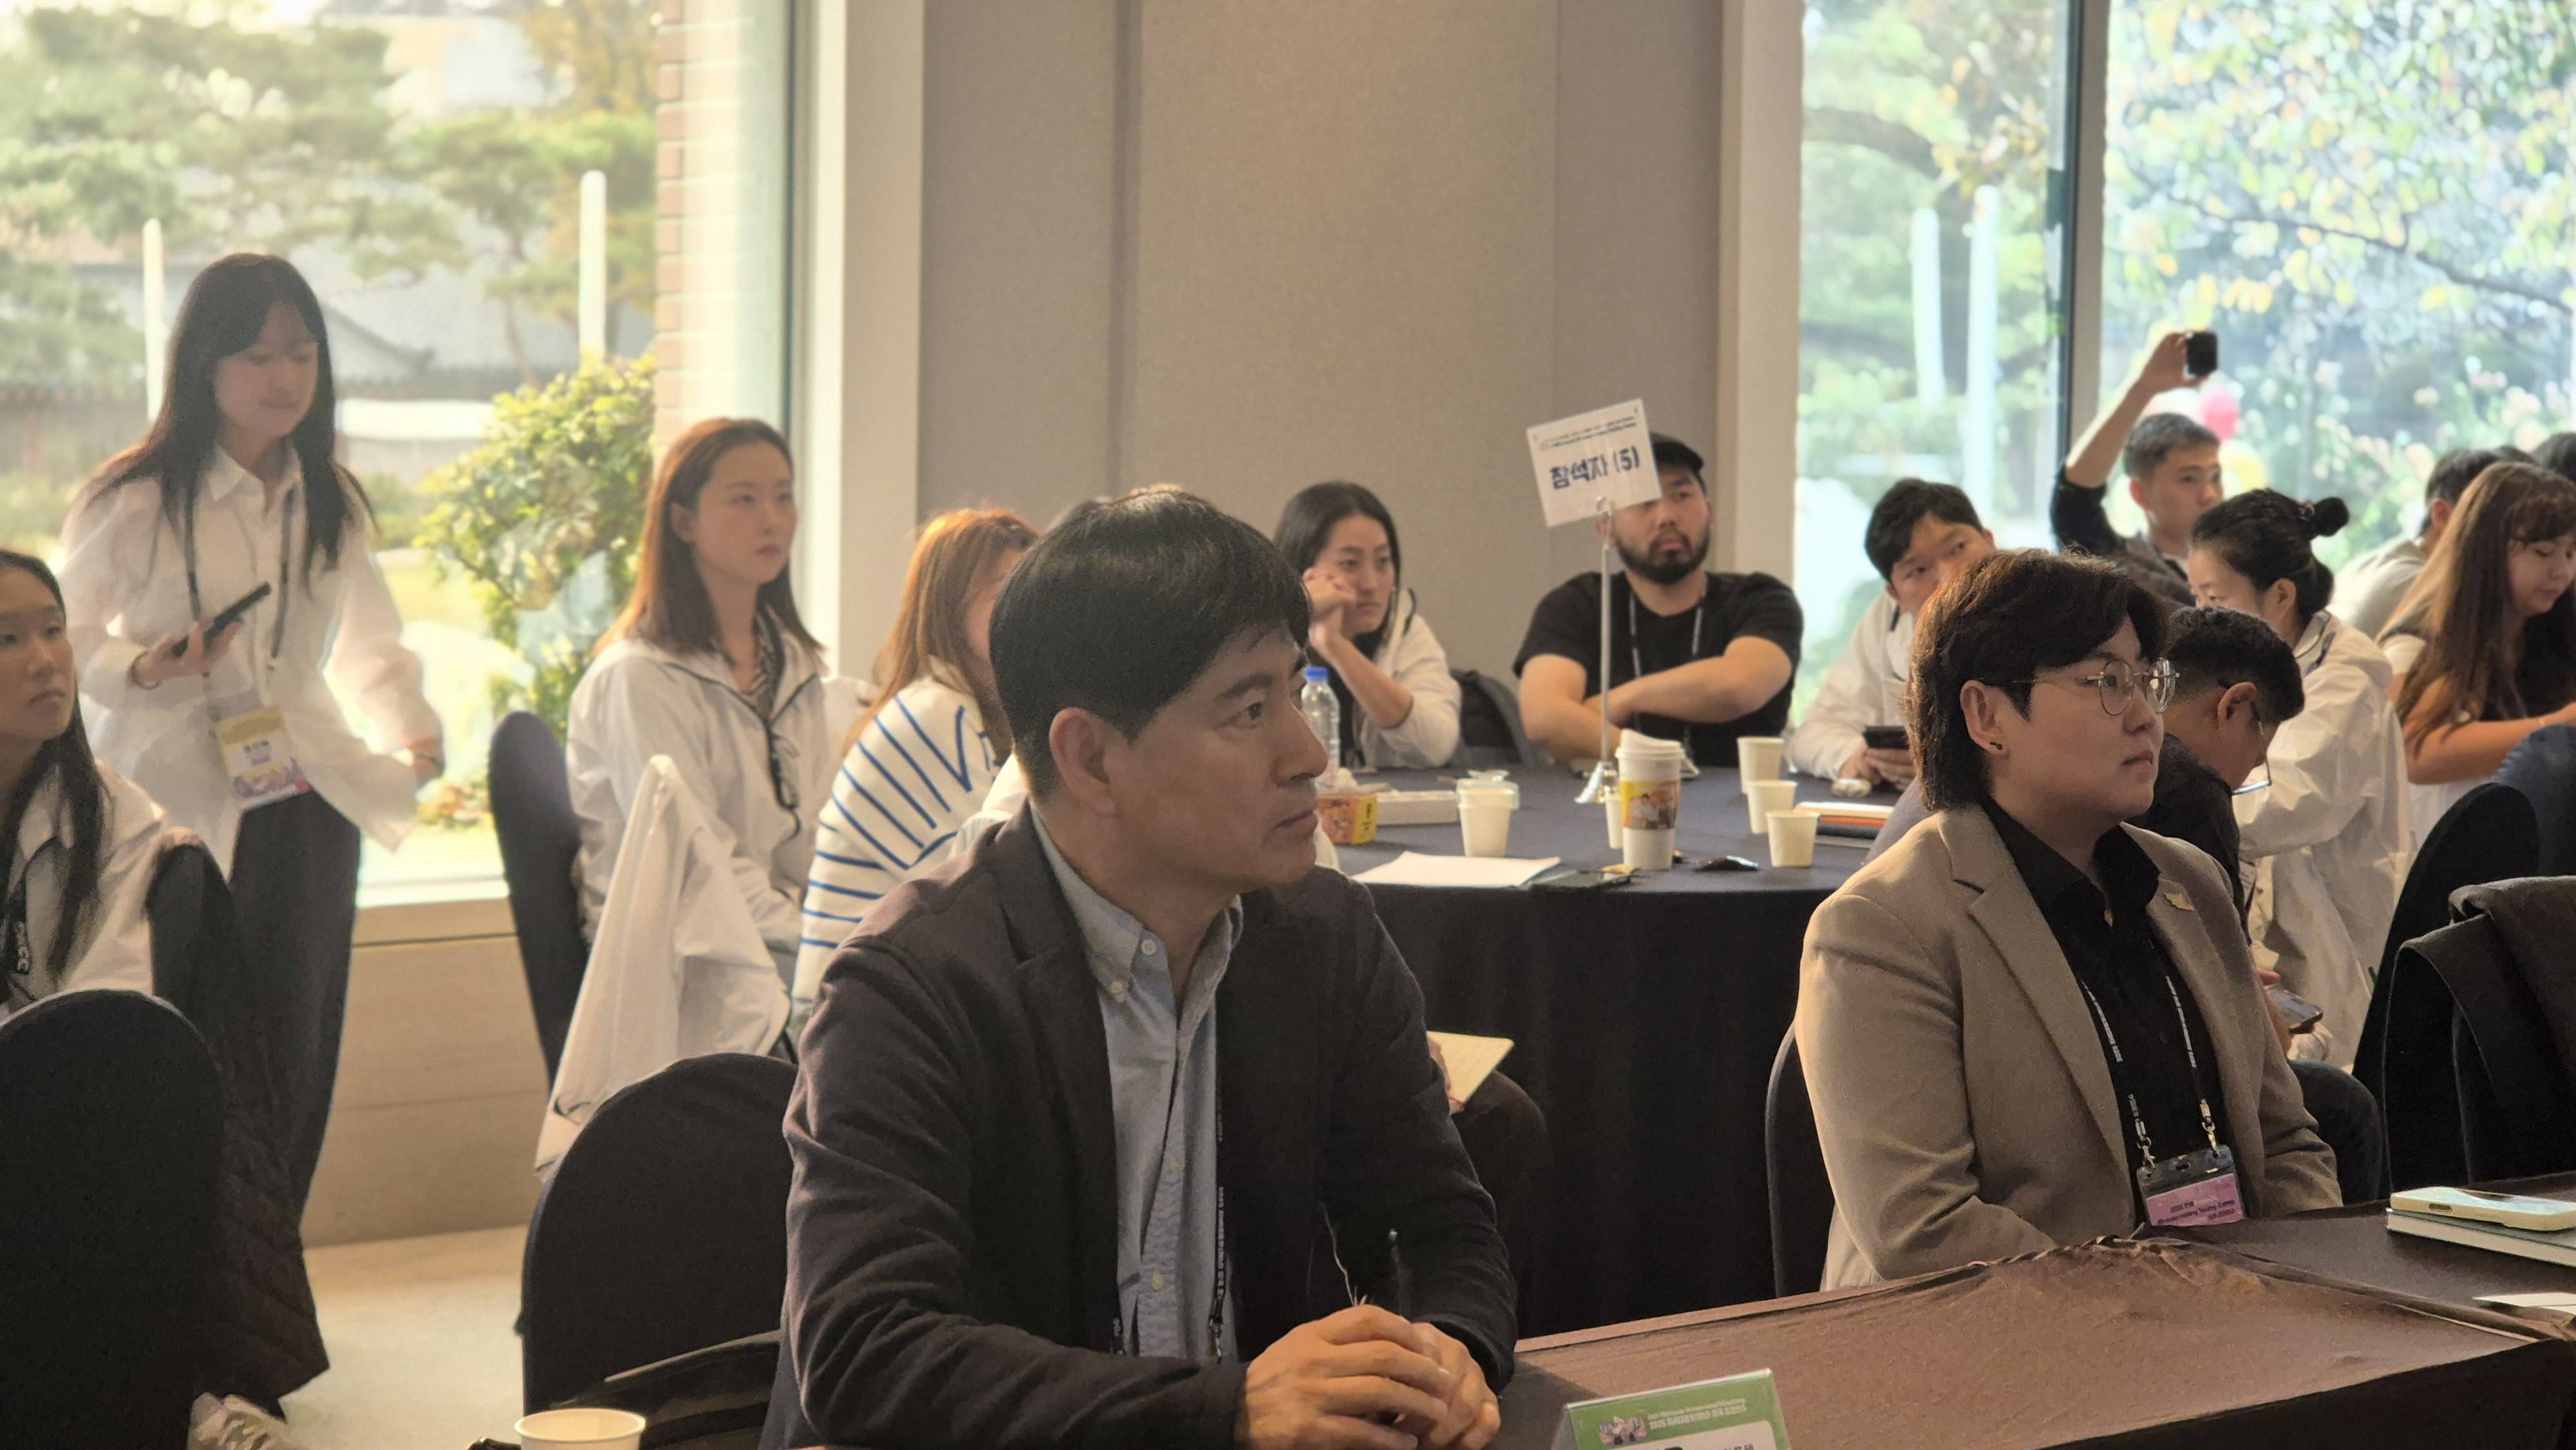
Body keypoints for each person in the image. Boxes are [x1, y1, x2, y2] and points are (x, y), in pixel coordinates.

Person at [768, 489, 1512, 1450]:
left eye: (1294, 692)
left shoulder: (1322, 937)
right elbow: (866, 1351)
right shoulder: (911, 987)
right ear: (1090, 760)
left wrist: (1445, 1349)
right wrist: (1220, 1410)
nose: (1305, 754)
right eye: (1249, 710)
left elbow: (1437, 1224)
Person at [1799, 549, 2336, 1288]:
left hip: (2230, 1310)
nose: (2146, 716)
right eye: (2106, 682)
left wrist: (2299, 1283)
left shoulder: (2189, 882)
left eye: (2147, 679)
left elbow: (2286, 1144)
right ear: (1986, 714)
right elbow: (1924, 1228)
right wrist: (2167, 1307)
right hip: (2000, 1334)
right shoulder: (1882, 927)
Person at [62, 252, 442, 1205]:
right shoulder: (135, 496)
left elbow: (373, 644)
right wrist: (146, 666)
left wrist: (415, 735)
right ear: (206, 365)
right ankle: (176, 1260)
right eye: (259, 355)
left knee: (294, 1047)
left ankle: (270, 1263)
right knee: (177, 1037)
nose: (285, 378)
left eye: (303, 355)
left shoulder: (330, 497)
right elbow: (61, 640)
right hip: (170, 803)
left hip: (308, 794)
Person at [567, 418, 858, 984]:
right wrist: (823, 941)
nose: (772, 519)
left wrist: (851, 922)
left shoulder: (791, 663)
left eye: (784, 497)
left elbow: (813, 838)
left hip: (776, 942)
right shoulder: (640, 679)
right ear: (683, 522)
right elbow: (698, 869)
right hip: (684, 965)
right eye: (744, 499)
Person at [2187, 492, 2409, 1067]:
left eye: (2216, 598)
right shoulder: (2260, 661)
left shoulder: (2345, 684)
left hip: (2332, 935)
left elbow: (2281, 807)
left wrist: (2168, 802)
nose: (2203, 611)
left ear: (2281, 595)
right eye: (2197, 596)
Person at [794, 507, 1035, 1008]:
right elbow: (992, 887)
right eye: (1006, 591)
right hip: (848, 1012)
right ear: (950, 607)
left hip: (881, 993)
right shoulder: (937, 713)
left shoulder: (965, 712)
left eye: (1035, 589)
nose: (1030, 609)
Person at [1515, 435, 1801, 766]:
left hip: (1739, 795)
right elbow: (1544, 718)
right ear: (1607, 528)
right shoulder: (1578, 603)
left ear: (1709, 513)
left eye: (1681, 496)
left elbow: (1739, 686)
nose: (1666, 516)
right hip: (1616, 795)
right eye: (1644, 502)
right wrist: (1654, 763)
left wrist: (1621, 700)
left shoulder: (1760, 598)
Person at [0, 551, 178, 1021]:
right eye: (7, 639)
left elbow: (109, 1015)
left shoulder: (118, 819)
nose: (45, 661)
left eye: (53, 631)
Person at [2381, 461, 2576, 845]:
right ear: (2486, 552)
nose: (2562, 571)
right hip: (2451, 849)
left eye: (2571, 553)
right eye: (2544, 553)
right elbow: (2417, 751)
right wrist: (2557, 726)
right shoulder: (2421, 640)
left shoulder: (2545, 627)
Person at [1786, 479, 1994, 786]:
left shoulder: (2041, 597)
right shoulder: (1886, 618)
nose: (1948, 577)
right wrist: (1860, 759)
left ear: (1990, 541)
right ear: (1895, 595)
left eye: (1958, 549)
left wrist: (1948, 771)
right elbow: (1813, 733)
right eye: (1918, 571)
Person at [1273, 481, 1463, 768]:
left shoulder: (1405, 631)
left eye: (1383, 561)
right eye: (1350, 564)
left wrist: (1335, 646)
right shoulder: (1268, 637)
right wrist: (1297, 608)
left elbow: (1434, 748)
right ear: (1302, 566)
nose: (1371, 584)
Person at [2052, 332, 2222, 606]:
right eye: (2189, 479)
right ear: (2140, 493)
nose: (2210, 494)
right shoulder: (2124, 572)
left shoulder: (2244, 568)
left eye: (2215, 477)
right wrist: (2143, 388)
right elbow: (2075, 500)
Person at [2333, 447, 2526, 638]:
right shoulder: (2421, 590)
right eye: (2502, 521)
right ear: (2442, 515)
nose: (2516, 541)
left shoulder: (2371, 563)